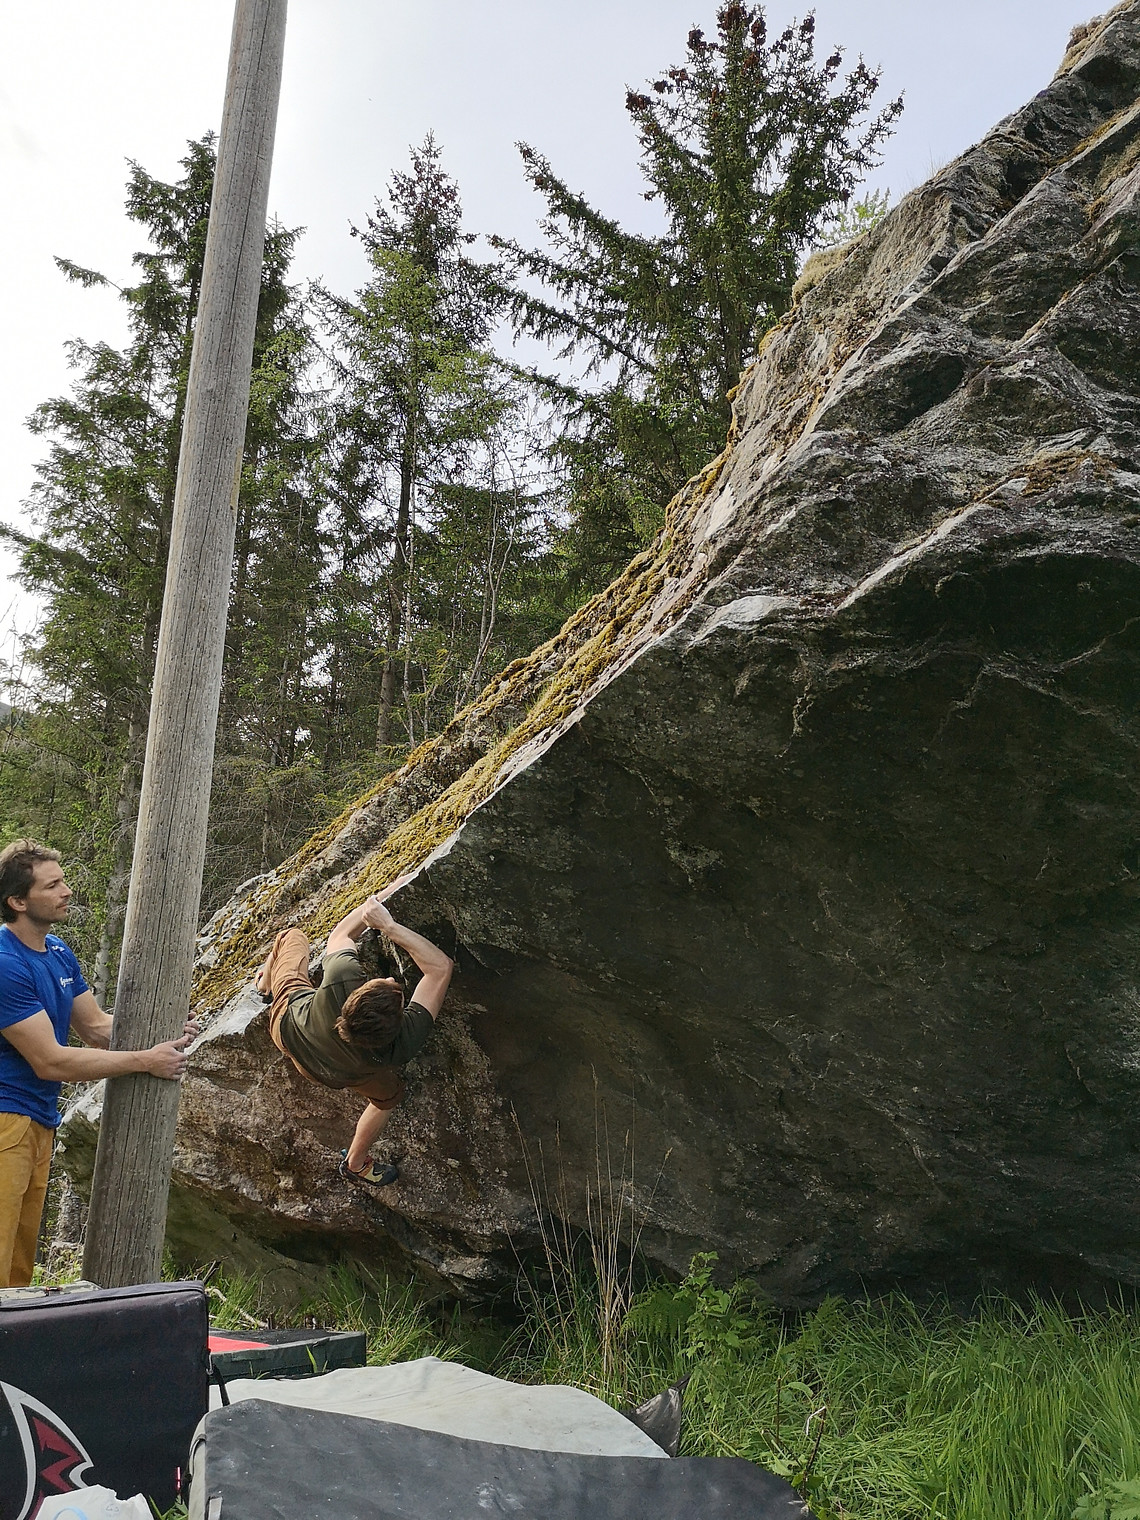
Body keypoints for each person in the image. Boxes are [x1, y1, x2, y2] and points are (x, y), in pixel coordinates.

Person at [0, 839, 196, 1288]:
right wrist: (145, 1060)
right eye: (52, 885)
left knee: (16, 1271)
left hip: (37, 1121)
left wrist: (165, 1028)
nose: (66, 890)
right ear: (18, 901)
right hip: (6, 1121)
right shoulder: (5, 964)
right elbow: (50, 1061)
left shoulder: (57, 952)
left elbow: (96, 1027)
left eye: (63, 880)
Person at [256, 879, 453, 1187]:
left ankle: (264, 986)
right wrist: (390, 927)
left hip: (288, 1030)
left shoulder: (343, 978)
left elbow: (342, 933)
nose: (392, 979)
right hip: (338, 1074)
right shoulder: (403, 1043)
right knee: (389, 1096)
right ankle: (356, 1162)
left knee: (291, 937)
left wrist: (379, 909)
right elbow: (440, 968)